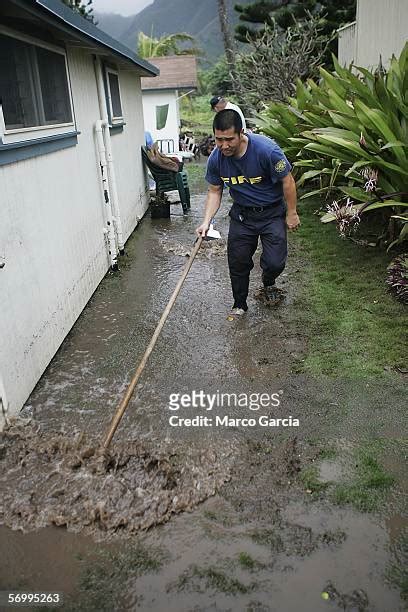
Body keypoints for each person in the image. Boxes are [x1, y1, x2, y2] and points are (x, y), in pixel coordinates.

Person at [196, 109, 300, 317]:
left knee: (274, 262)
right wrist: (206, 221)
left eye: (229, 139)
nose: (224, 145)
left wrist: (292, 212)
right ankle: (239, 304)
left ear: (241, 133)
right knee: (238, 261)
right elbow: (215, 191)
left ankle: (268, 281)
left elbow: (287, 180)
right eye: (219, 139)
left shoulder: (267, 151)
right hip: (242, 216)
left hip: (271, 214)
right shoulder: (216, 159)